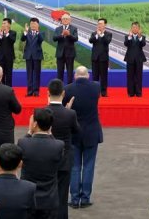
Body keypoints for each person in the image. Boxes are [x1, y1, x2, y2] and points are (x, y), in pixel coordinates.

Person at [63, 66, 103, 208]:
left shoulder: (68, 89)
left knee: (74, 167)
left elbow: (65, 107)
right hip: (91, 132)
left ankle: (74, 199)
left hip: (74, 132)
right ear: (88, 76)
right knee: (88, 166)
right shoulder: (96, 87)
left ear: (75, 76)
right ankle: (85, 198)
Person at [18, 108, 65, 219]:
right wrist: (50, 133)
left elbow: (17, 153)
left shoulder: (23, 143)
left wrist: (29, 132)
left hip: (28, 199)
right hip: (49, 200)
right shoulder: (58, 145)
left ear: (34, 123)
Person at [46, 79, 80, 219]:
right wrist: (68, 110)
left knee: (46, 190)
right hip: (64, 158)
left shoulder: (42, 112)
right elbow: (77, 130)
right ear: (63, 93)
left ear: (47, 93)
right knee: (63, 193)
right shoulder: (69, 114)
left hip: (46, 157)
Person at [22, 17, 45, 97]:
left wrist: (38, 32)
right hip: (28, 55)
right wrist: (25, 31)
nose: (33, 25)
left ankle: (36, 91)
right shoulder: (27, 32)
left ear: (38, 25)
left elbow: (41, 40)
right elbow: (22, 39)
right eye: (31, 24)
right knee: (29, 74)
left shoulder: (41, 33)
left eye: (34, 24)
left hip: (37, 56)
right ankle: (29, 91)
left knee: (37, 74)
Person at [89, 18, 112, 96]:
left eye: (101, 24)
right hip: (95, 58)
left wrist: (101, 34)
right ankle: (95, 92)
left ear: (105, 25)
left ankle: (103, 92)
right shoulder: (94, 33)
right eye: (98, 24)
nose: (99, 25)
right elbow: (90, 40)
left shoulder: (108, 34)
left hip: (103, 58)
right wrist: (97, 35)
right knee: (95, 76)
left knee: (104, 76)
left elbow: (107, 41)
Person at [53, 14, 78, 84]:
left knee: (70, 72)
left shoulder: (74, 28)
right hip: (60, 53)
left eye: (67, 19)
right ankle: (59, 88)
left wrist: (69, 35)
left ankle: (69, 88)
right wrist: (62, 35)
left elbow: (76, 39)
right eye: (63, 19)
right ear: (61, 20)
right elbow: (54, 38)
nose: (65, 20)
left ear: (70, 20)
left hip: (70, 54)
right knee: (60, 72)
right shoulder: (58, 29)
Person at [124, 22, 147, 97]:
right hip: (130, 58)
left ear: (139, 29)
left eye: (136, 27)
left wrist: (140, 37)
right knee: (130, 76)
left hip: (139, 59)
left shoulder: (142, 37)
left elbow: (143, 44)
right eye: (133, 27)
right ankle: (130, 92)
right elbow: (126, 44)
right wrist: (130, 37)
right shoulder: (127, 36)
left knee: (138, 76)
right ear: (131, 28)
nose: (135, 29)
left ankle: (138, 92)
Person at [0, 17, 17, 86]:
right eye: (2, 23)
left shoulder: (13, 33)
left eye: (5, 23)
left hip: (9, 57)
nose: (3, 25)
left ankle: (8, 89)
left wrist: (7, 34)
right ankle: (1, 89)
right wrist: (1, 36)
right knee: (1, 74)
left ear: (9, 25)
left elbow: (12, 41)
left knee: (9, 74)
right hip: (0, 57)